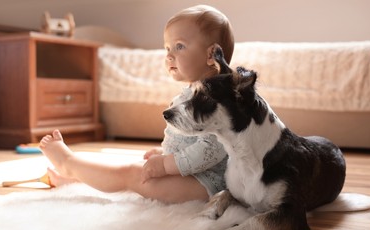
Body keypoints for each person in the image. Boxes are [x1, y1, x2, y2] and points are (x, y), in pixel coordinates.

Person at [39, 5, 235, 204]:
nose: (169, 55)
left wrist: (166, 164)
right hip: (192, 177)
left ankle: (69, 164)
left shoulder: (218, 100)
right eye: (167, 48)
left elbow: (210, 151)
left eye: (179, 46)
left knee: (133, 174)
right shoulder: (193, 93)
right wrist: (165, 154)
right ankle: (77, 181)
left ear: (211, 55)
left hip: (207, 186)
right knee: (138, 171)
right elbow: (190, 139)